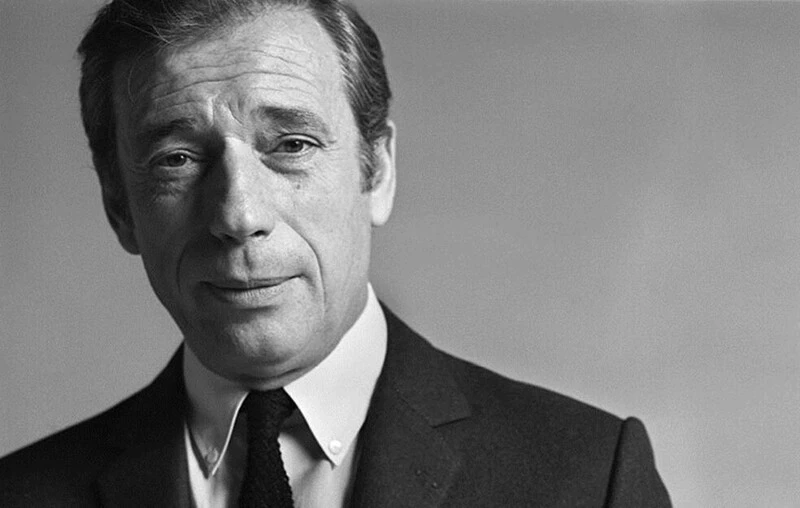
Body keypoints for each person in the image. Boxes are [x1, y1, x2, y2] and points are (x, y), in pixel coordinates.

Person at [0, 0, 671, 506]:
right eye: (177, 158)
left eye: (291, 145)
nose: (239, 216)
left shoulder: (588, 480)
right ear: (119, 206)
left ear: (377, 170)